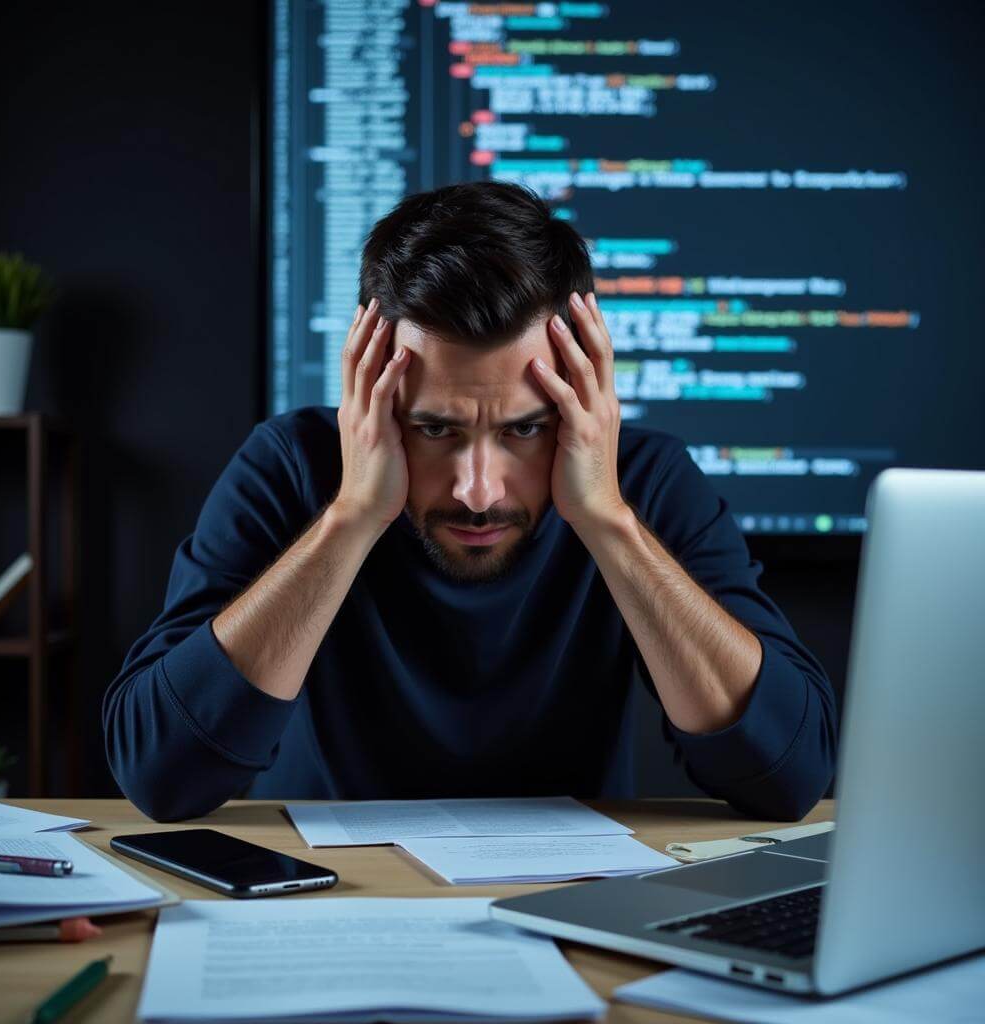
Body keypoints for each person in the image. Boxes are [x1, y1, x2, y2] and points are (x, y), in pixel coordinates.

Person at [104, 182, 837, 823]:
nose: (477, 491)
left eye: (525, 429)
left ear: (584, 392)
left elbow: (791, 776)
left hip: (567, 906)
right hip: (326, 903)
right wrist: (353, 517)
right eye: (435, 429)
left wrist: (608, 522)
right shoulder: (290, 465)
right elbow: (162, 774)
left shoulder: (642, 481)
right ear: (374, 395)